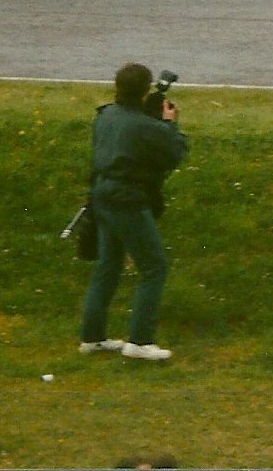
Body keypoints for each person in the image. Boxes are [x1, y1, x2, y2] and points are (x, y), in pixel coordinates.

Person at [78, 62, 188, 362]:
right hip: (128, 200)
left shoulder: (105, 116)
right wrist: (168, 122)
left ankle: (93, 337)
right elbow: (174, 152)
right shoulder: (145, 126)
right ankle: (139, 341)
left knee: (108, 267)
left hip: (102, 195)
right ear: (144, 90)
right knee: (154, 268)